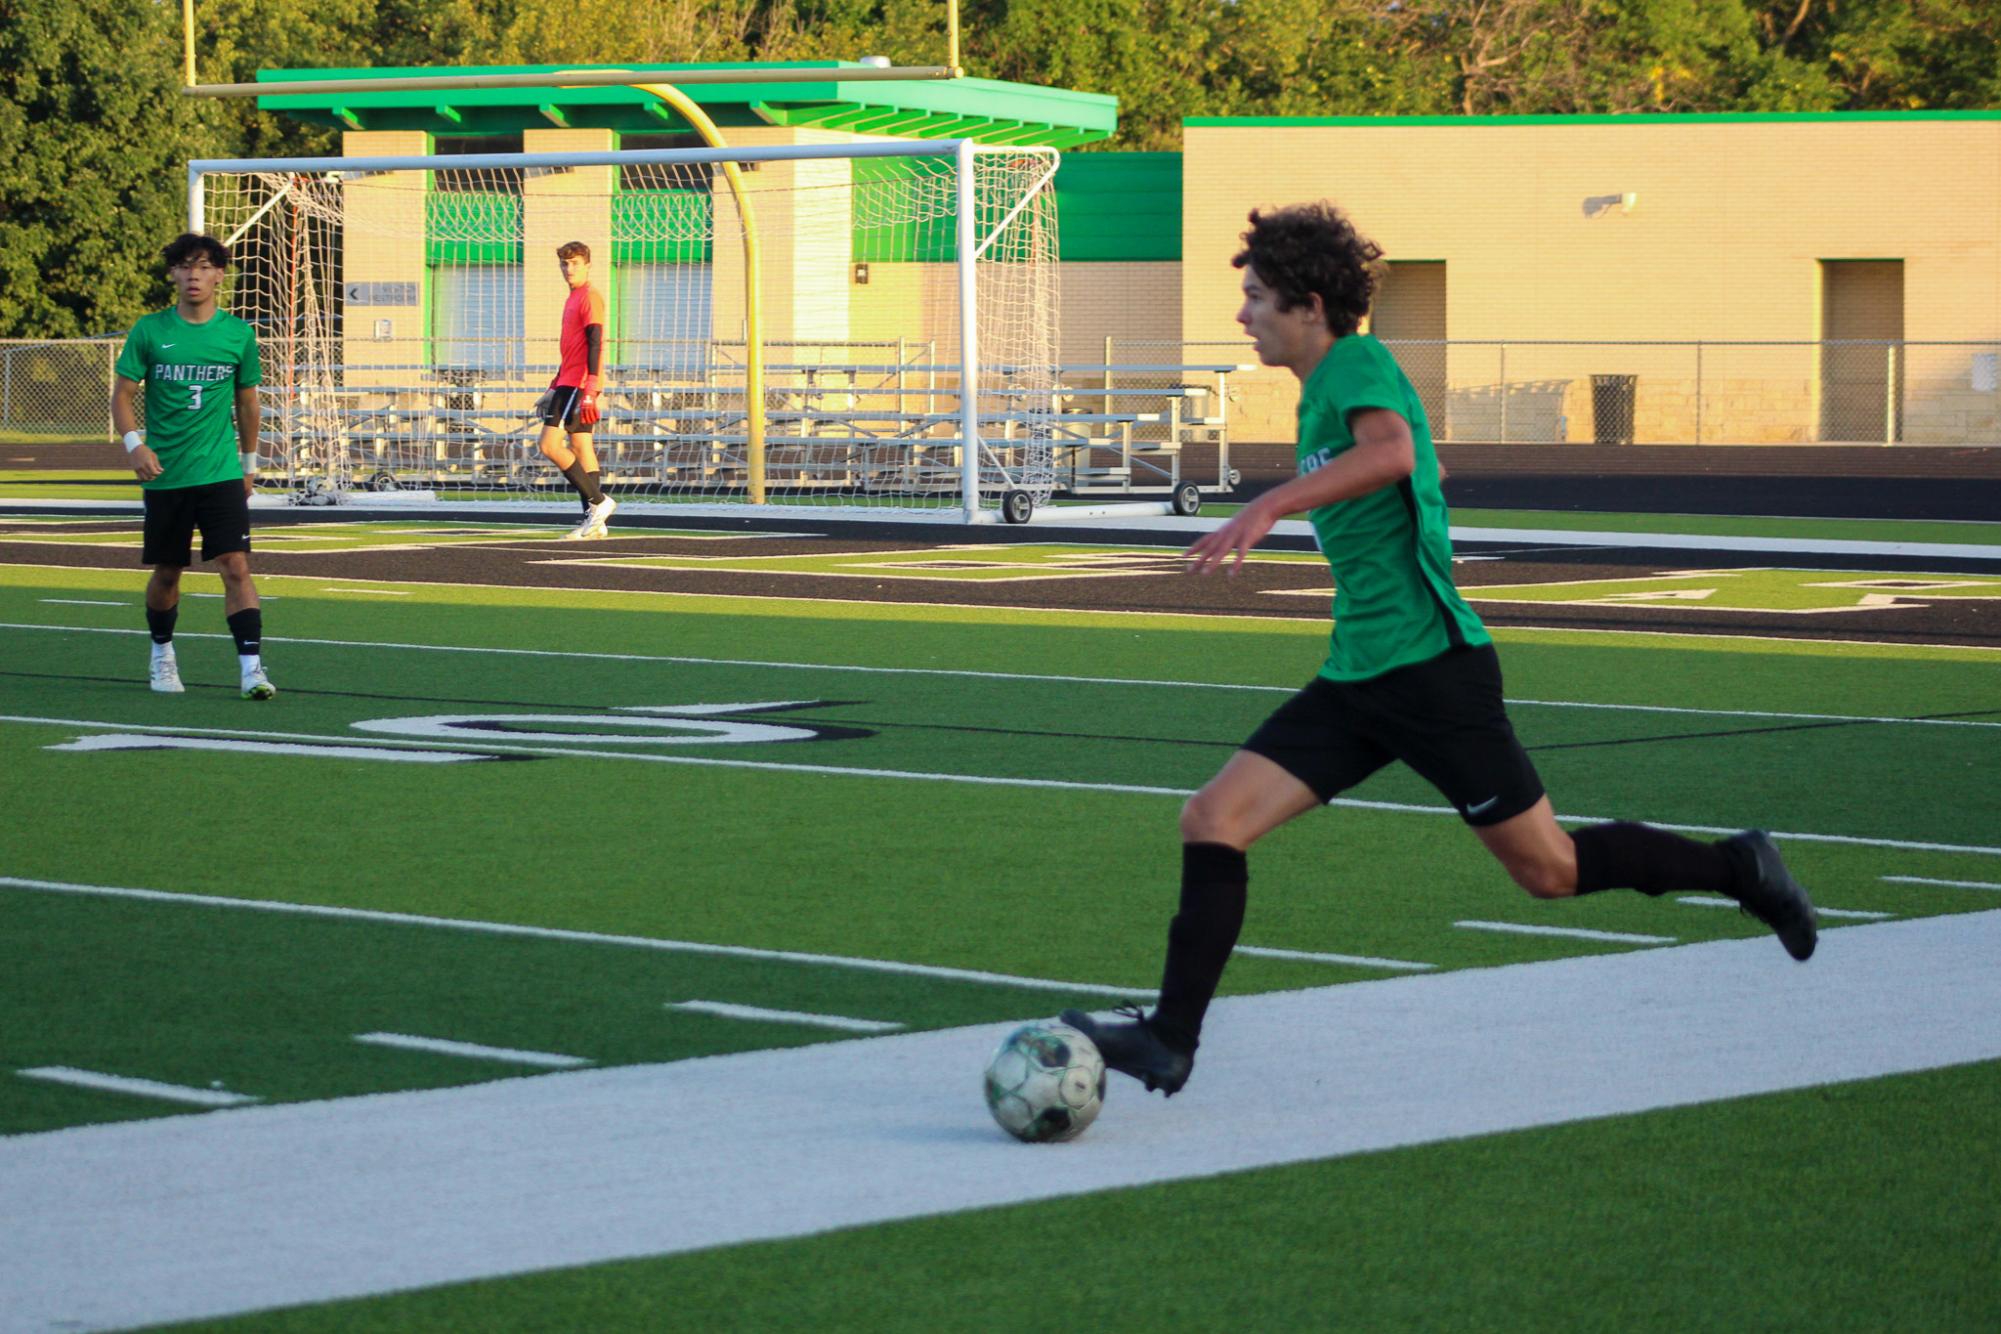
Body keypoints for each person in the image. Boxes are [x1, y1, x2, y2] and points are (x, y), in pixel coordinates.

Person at [1062, 202, 1817, 1097]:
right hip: (1359, 677)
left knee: (1549, 871)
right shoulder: (1326, 388)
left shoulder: (1356, 363)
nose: (1242, 315)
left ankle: (1741, 868)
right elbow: (1420, 465)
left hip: (1430, 674)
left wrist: (1268, 505)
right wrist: (1399, 486)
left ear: (1307, 304)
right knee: (1211, 820)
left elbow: (1391, 452)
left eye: (1256, 297)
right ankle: (1170, 1040)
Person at [112, 232, 274, 699]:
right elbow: (122, 395)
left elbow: (248, 404)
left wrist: (248, 464)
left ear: (219, 275)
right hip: (167, 475)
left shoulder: (238, 334)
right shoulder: (150, 330)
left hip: (221, 471)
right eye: (185, 266)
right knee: (168, 571)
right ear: (173, 274)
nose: (194, 275)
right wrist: (134, 446)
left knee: (236, 566)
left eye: (203, 266)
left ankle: (252, 669)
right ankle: (162, 654)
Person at [538, 241, 617, 539]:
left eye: (574, 263)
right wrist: (552, 387)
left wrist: (591, 386)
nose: (569, 269)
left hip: (579, 383)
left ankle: (599, 502)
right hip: (567, 381)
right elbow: (571, 349)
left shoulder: (589, 297)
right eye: (564, 264)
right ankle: (595, 524)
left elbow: (595, 342)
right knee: (583, 447)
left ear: (587, 265)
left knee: (548, 446)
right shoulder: (572, 298)